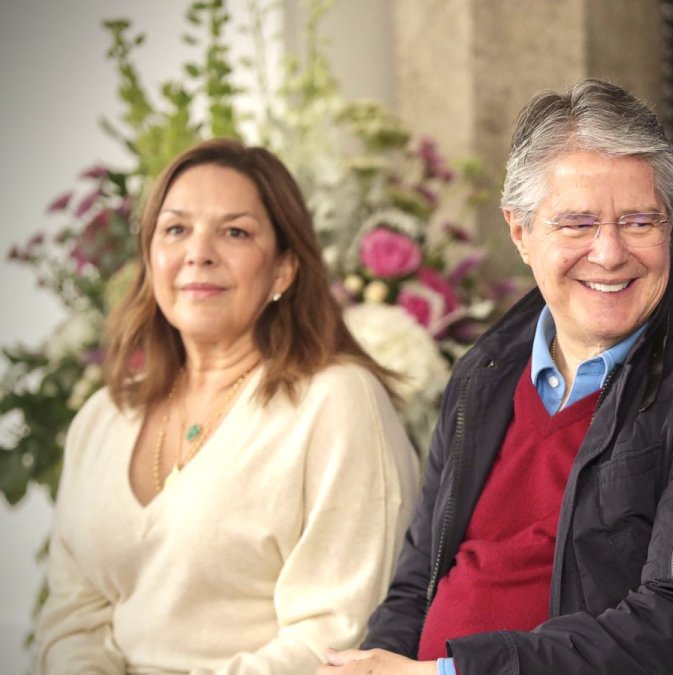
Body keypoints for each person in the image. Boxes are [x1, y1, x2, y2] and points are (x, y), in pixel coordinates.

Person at [321, 79, 673, 675]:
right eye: (577, 225)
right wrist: (380, 663)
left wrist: (451, 673)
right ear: (520, 233)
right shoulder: (487, 370)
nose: (609, 253)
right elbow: (418, 582)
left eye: (639, 222)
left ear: (671, 224)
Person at [36, 138, 421, 673]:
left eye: (235, 231)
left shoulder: (337, 401)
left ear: (284, 269)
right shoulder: (103, 416)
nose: (199, 252)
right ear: (150, 258)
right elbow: (70, 620)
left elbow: (335, 636)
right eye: (175, 229)